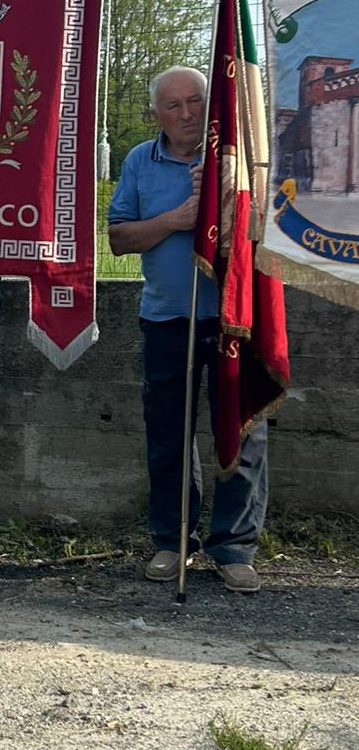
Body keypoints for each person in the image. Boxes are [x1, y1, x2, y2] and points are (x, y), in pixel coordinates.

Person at [107, 65, 267, 593]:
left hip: (232, 321)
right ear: (156, 114)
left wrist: (225, 201)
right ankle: (173, 541)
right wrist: (180, 219)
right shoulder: (138, 161)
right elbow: (119, 239)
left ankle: (235, 547)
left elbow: (267, 230)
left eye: (195, 101)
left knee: (240, 431)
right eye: (173, 106)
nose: (187, 114)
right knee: (169, 437)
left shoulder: (240, 162)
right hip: (167, 318)